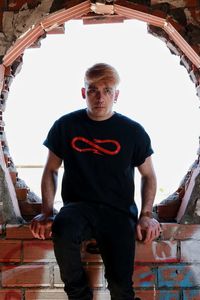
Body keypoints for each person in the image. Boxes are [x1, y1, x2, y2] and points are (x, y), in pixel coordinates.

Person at [30, 63, 161, 300]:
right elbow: (51, 170)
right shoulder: (66, 125)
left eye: (107, 90)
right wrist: (47, 212)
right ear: (83, 93)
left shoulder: (132, 131)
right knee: (62, 229)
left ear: (116, 95)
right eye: (93, 90)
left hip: (119, 212)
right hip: (78, 208)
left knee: (121, 288)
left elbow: (149, 175)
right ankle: (79, 294)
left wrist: (147, 215)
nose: (100, 97)